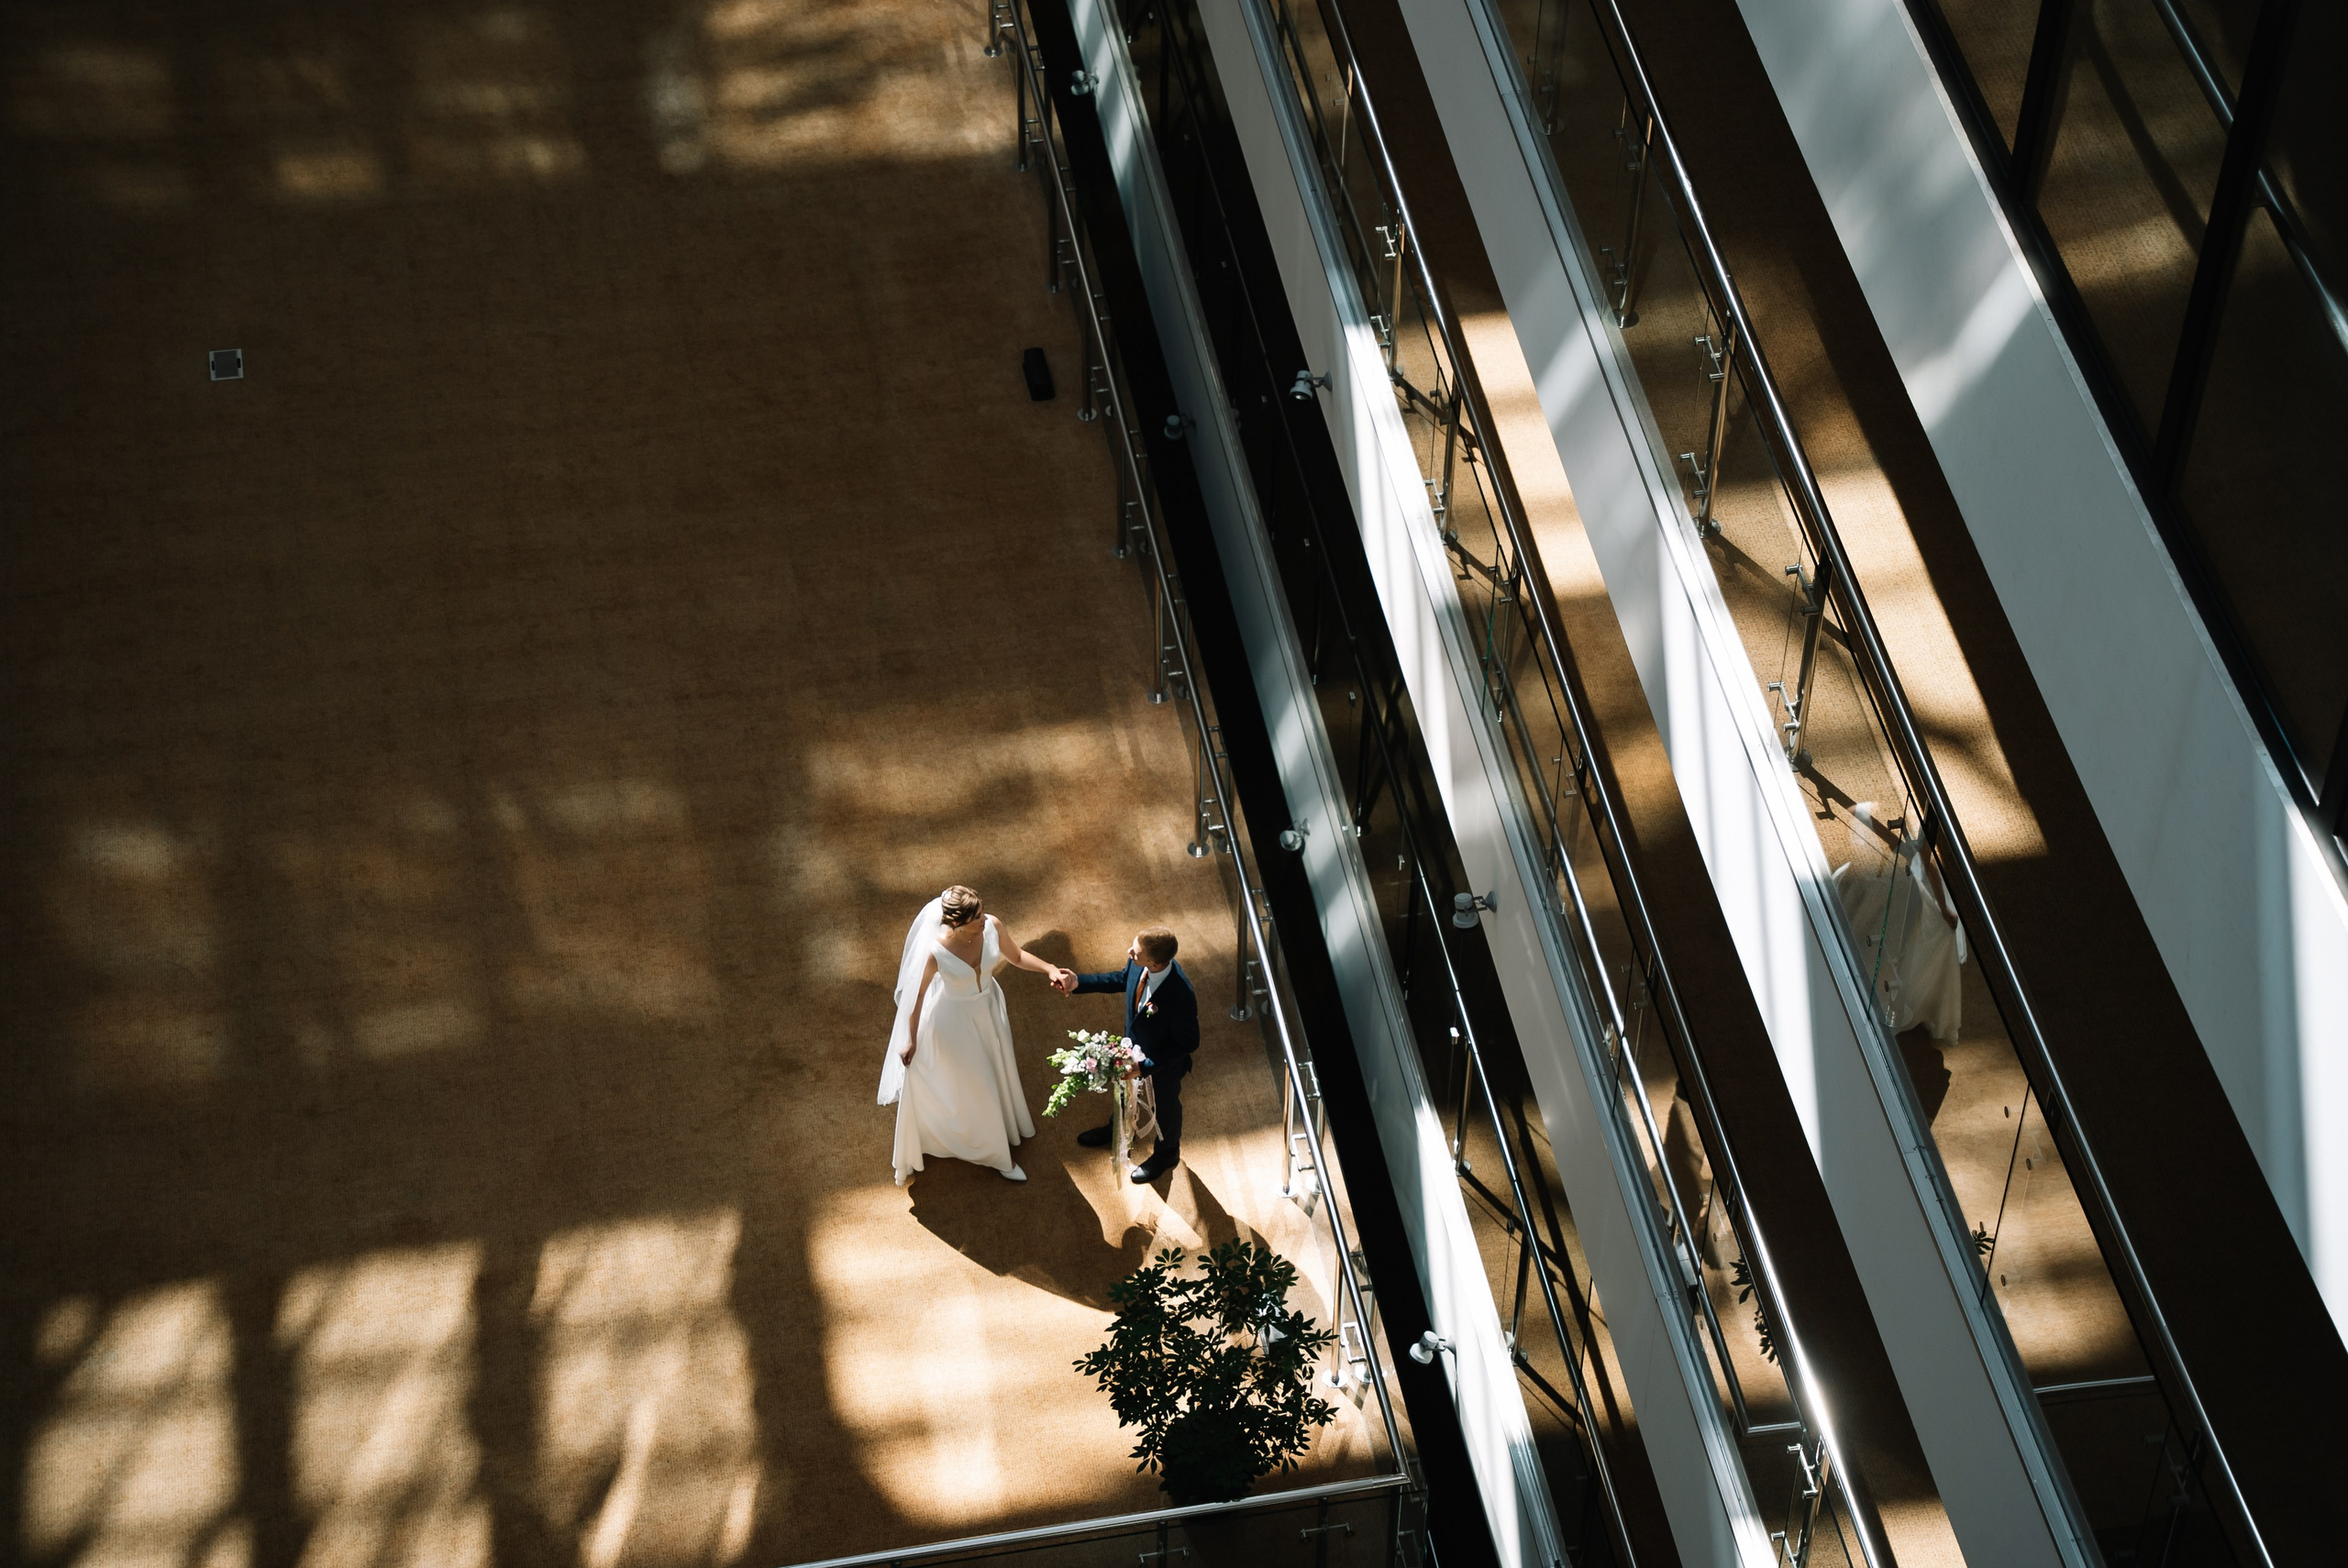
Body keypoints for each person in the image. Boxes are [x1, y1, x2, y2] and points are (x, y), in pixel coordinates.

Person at [879, 885, 1059, 1187]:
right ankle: (1001, 1157)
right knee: (981, 1083)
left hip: (989, 1014)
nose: (984, 919)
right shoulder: (935, 953)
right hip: (953, 1024)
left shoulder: (993, 925)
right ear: (956, 924)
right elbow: (916, 1000)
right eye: (976, 917)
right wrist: (910, 1039)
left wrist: (1050, 968)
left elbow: (1015, 956)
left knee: (992, 1073)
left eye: (982, 911)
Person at [1049, 926, 1199, 1183]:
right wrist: (1078, 982)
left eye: (1136, 951)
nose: (1129, 952)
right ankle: (1115, 1129)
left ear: (1156, 962)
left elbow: (1187, 1043)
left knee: (1166, 1107)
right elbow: (1120, 979)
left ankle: (1167, 1153)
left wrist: (1146, 1066)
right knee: (1122, 1093)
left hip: (1163, 1065)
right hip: (1131, 1050)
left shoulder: (1181, 995)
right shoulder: (1138, 964)